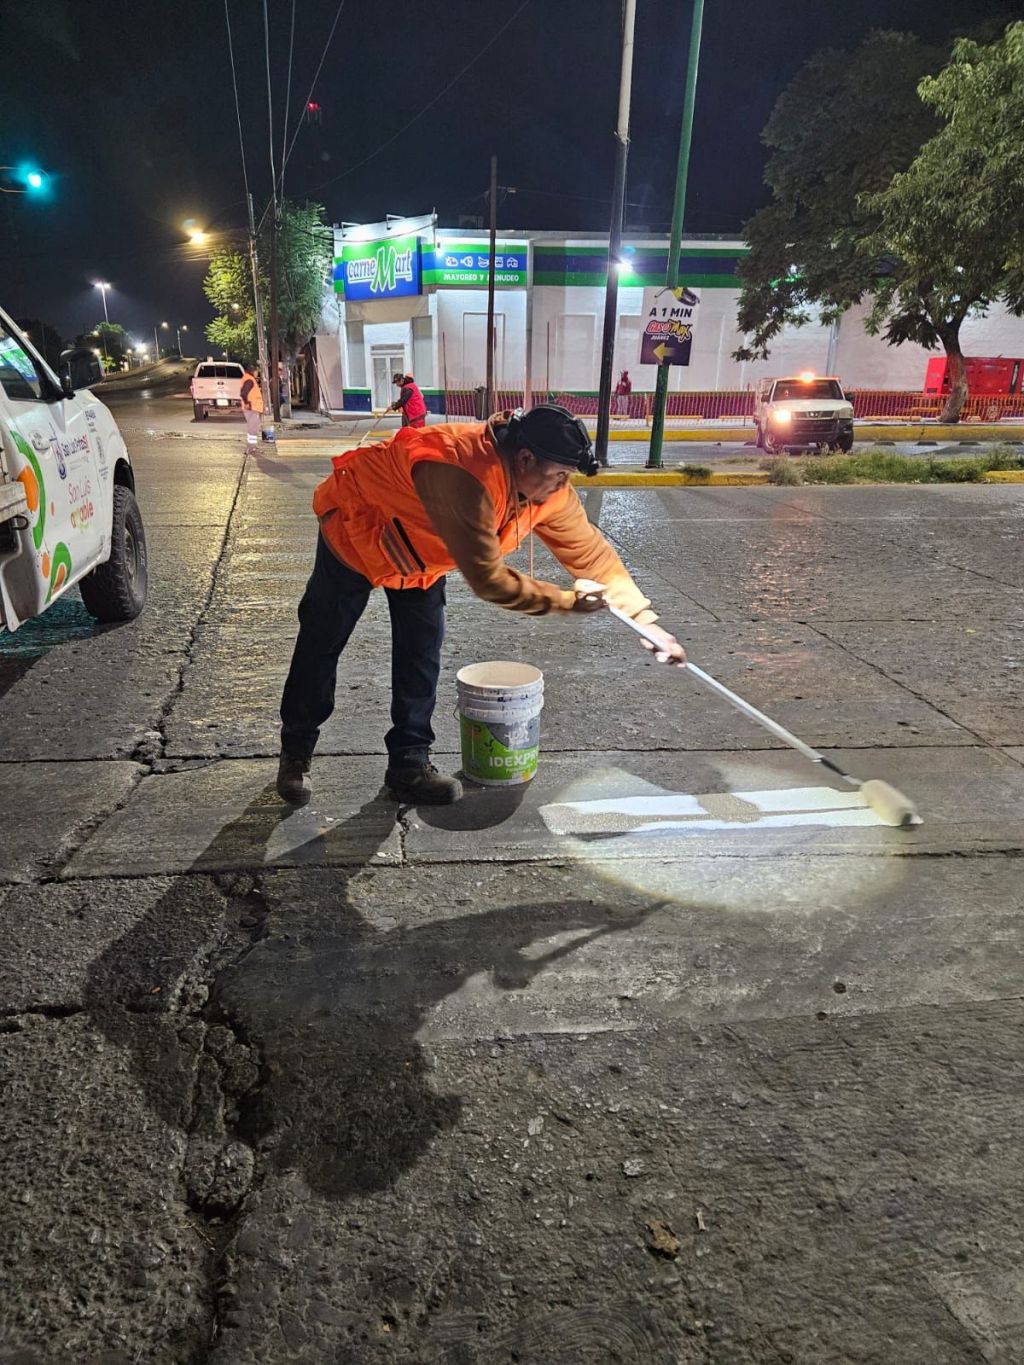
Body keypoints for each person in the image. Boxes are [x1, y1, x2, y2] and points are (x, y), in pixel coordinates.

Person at [276, 403, 686, 809]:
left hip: (422, 558)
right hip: (357, 529)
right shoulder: (460, 472)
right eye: (560, 475)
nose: (563, 486)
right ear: (525, 458)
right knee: (321, 641)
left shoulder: (545, 489)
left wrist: (645, 622)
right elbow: (489, 580)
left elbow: (592, 555)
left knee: (421, 655)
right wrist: (567, 602)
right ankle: (296, 752)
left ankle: (409, 765)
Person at [240, 364, 264, 447]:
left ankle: (251, 446)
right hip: (251, 407)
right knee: (253, 428)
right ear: (253, 371)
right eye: (256, 371)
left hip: (251, 407)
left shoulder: (248, 378)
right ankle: (251, 447)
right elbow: (243, 393)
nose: (257, 373)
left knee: (252, 427)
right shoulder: (249, 380)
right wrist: (247, 403)